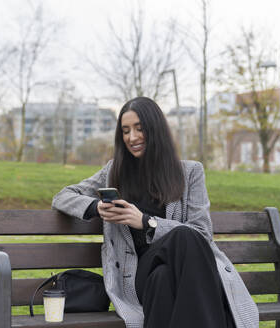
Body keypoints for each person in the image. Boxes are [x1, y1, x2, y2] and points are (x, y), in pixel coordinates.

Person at [52, 97, 258, 328]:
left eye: (140, 129)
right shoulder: (113, 171)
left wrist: (146, 222)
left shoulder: (190, 172)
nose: (132, 137)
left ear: (156, 129)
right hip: (137, 275)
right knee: (182, 237)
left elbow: (202, 233)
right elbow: (62, 196)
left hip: (176, 272)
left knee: (165, 274)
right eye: (126, 131)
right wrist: (96, 207)